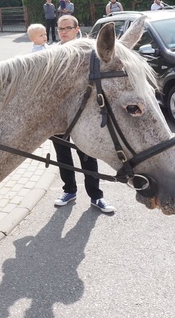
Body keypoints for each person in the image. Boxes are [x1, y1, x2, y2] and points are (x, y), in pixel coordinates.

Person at [52, 15, 115, 213]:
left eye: (67, 28)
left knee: (88, 155)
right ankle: (69, 190)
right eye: (60, 28)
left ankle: (96, 197)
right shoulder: (52, 53)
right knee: (63, 155)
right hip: (60, 114)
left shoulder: (90, 51)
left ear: (77, 28)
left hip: (84, 114)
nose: (63, 31)